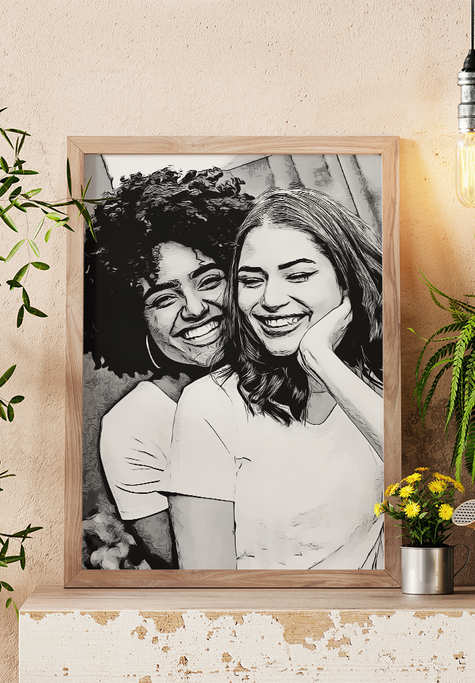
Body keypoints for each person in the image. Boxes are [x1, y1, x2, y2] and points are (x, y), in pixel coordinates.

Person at [164, 185, 385, 570]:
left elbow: (432, 490)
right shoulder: (210, 404)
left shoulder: (382, 384)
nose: (269, 299)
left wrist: (322, 359)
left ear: (346, 282)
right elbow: (207, 585)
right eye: (251, 280)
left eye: (297, 276)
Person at [84, 167, 253, 568]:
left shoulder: (304, 374)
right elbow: (179, 564)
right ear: (133, 321)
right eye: (163, 298)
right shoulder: (134, 427)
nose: (194, 309)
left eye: (210, 280)